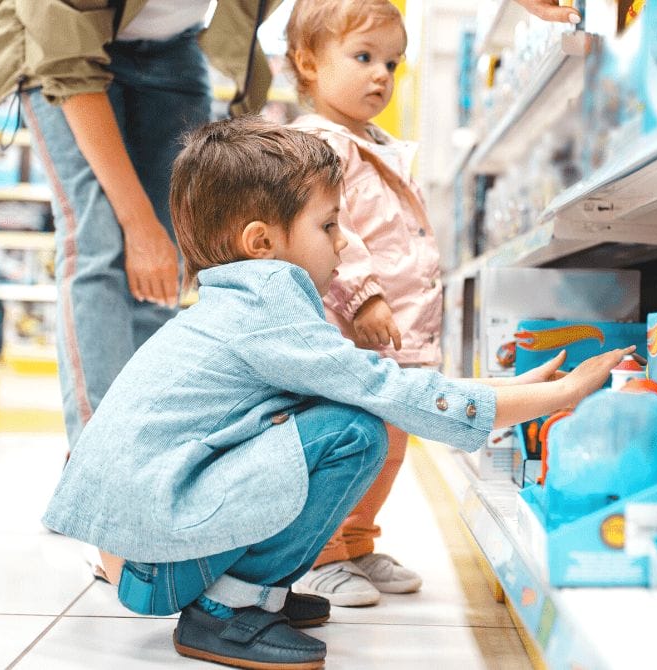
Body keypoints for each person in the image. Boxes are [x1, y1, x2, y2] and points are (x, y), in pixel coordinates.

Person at [41, 116, 635, 669]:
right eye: (328, 226)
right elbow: (386, 393)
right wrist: (552, 399)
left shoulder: (240, 297)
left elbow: (382, 381)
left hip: (139, 542)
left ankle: (253, 588)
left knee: (345, 412)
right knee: (352, 430)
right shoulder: (267, 300)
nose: (344, 244)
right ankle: (226, 609)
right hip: (154, 559)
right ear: (261, 242)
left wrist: (513, 387)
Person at [0, 0, 278, 581]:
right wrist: (138, 224)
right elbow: (67, 61)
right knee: (99, 244)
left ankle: (147, 451)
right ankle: (101, 474)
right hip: (59, 57)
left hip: (174, 49)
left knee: (168, 252)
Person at [283, 0, 438, 606]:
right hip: (347, 328)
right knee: (349, 441)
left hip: (395, 331)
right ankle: (320, 555)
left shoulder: (380, 144)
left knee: (391, 445)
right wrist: (364, 295)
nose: (382, 76)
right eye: (364, 57)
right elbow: (328, 231)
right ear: (308, 63)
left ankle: (357, 544)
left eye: (393, 63)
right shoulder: (316, 144)